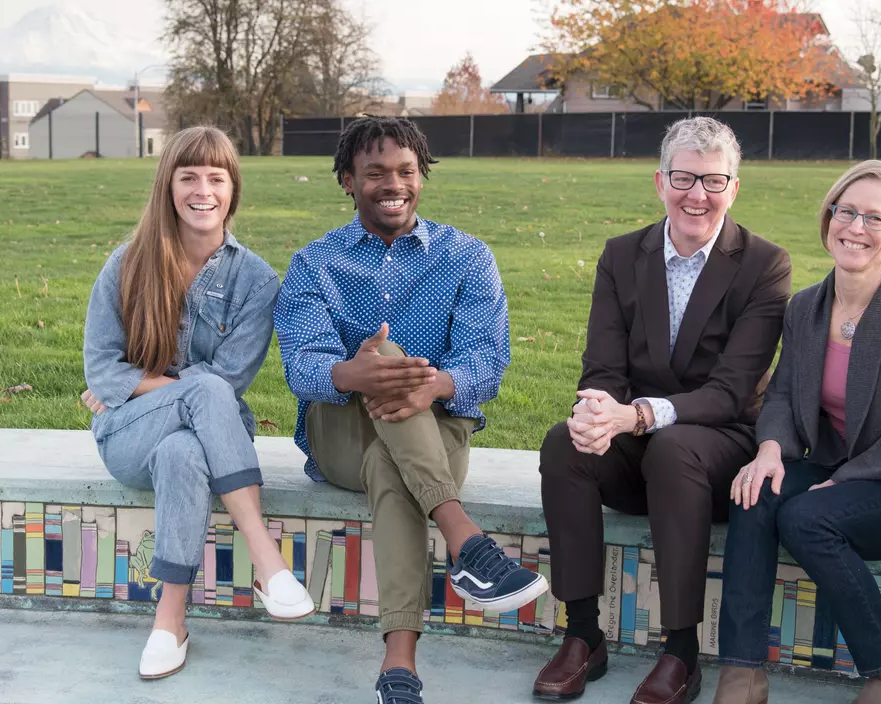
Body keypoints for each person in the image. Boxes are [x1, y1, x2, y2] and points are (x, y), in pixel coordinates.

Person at [275, 115, 547, 704]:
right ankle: (465, 541)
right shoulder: (314, 263)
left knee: (391, 465)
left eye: (406, 171)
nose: (393, 183)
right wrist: (357, 371)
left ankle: (399, 668)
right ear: (348, 181)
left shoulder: (467, 256)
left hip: (437, 429)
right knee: (386, 357)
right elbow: (302, 366)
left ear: (422, 176)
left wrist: (433, 386)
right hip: (340, 428)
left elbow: (487, 360)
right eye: (375, 173)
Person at [534, 117, 792, 703]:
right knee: (562, 443)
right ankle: (582, 636)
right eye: (684, 177)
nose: (697, 194)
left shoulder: (764, 267)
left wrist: (640, 416)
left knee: (674, 449)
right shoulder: (623, 255)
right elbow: (602, 364)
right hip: (636, 446)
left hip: (719, 448)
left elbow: (731, 391)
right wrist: (597, 412)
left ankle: (680, 650)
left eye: (713, 180)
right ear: (659, 182)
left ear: (734, 187)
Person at [714, 161, 881, 704]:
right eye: (846, 211)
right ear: (828, 219)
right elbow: (779, 394)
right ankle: (743, 672)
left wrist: (845, 480)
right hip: (832, 469)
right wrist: (772, 450)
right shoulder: (805, 309)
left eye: (876, 218)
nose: (856, 227)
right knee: (755, 491)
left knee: (806, 517)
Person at [81, 126, 314, 681]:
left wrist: (139, 382)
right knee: (206, 392)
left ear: (233, 189)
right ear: (168, 185)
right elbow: (102, 369)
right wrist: (165, 388)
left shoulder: (255, 280)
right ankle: (267, 561)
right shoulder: (126, 264)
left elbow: (230, 375)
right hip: (128, 439)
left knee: (186, 450)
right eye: (189, 176)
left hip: (206, 444)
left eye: (216, 177)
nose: (202, 189)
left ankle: (170, 623)